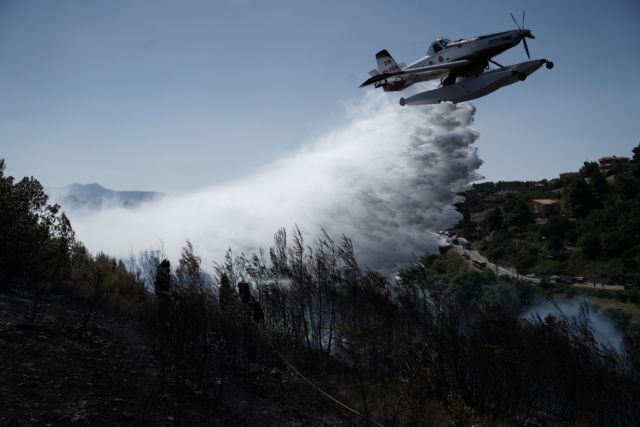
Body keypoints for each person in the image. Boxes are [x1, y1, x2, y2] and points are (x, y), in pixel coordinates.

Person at [154, 259, 172, 329]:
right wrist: (162, 293)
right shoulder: (159, 275)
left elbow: (168, 286)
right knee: (161, 311)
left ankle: (165, 324)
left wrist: (169, 292)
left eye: (167, 268)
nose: (167, 269)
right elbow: (157, 287)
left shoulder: (167, 275)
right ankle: (161, 325)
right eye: (166, 267)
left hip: (166, 297)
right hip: (161, 296)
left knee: (166, 310)